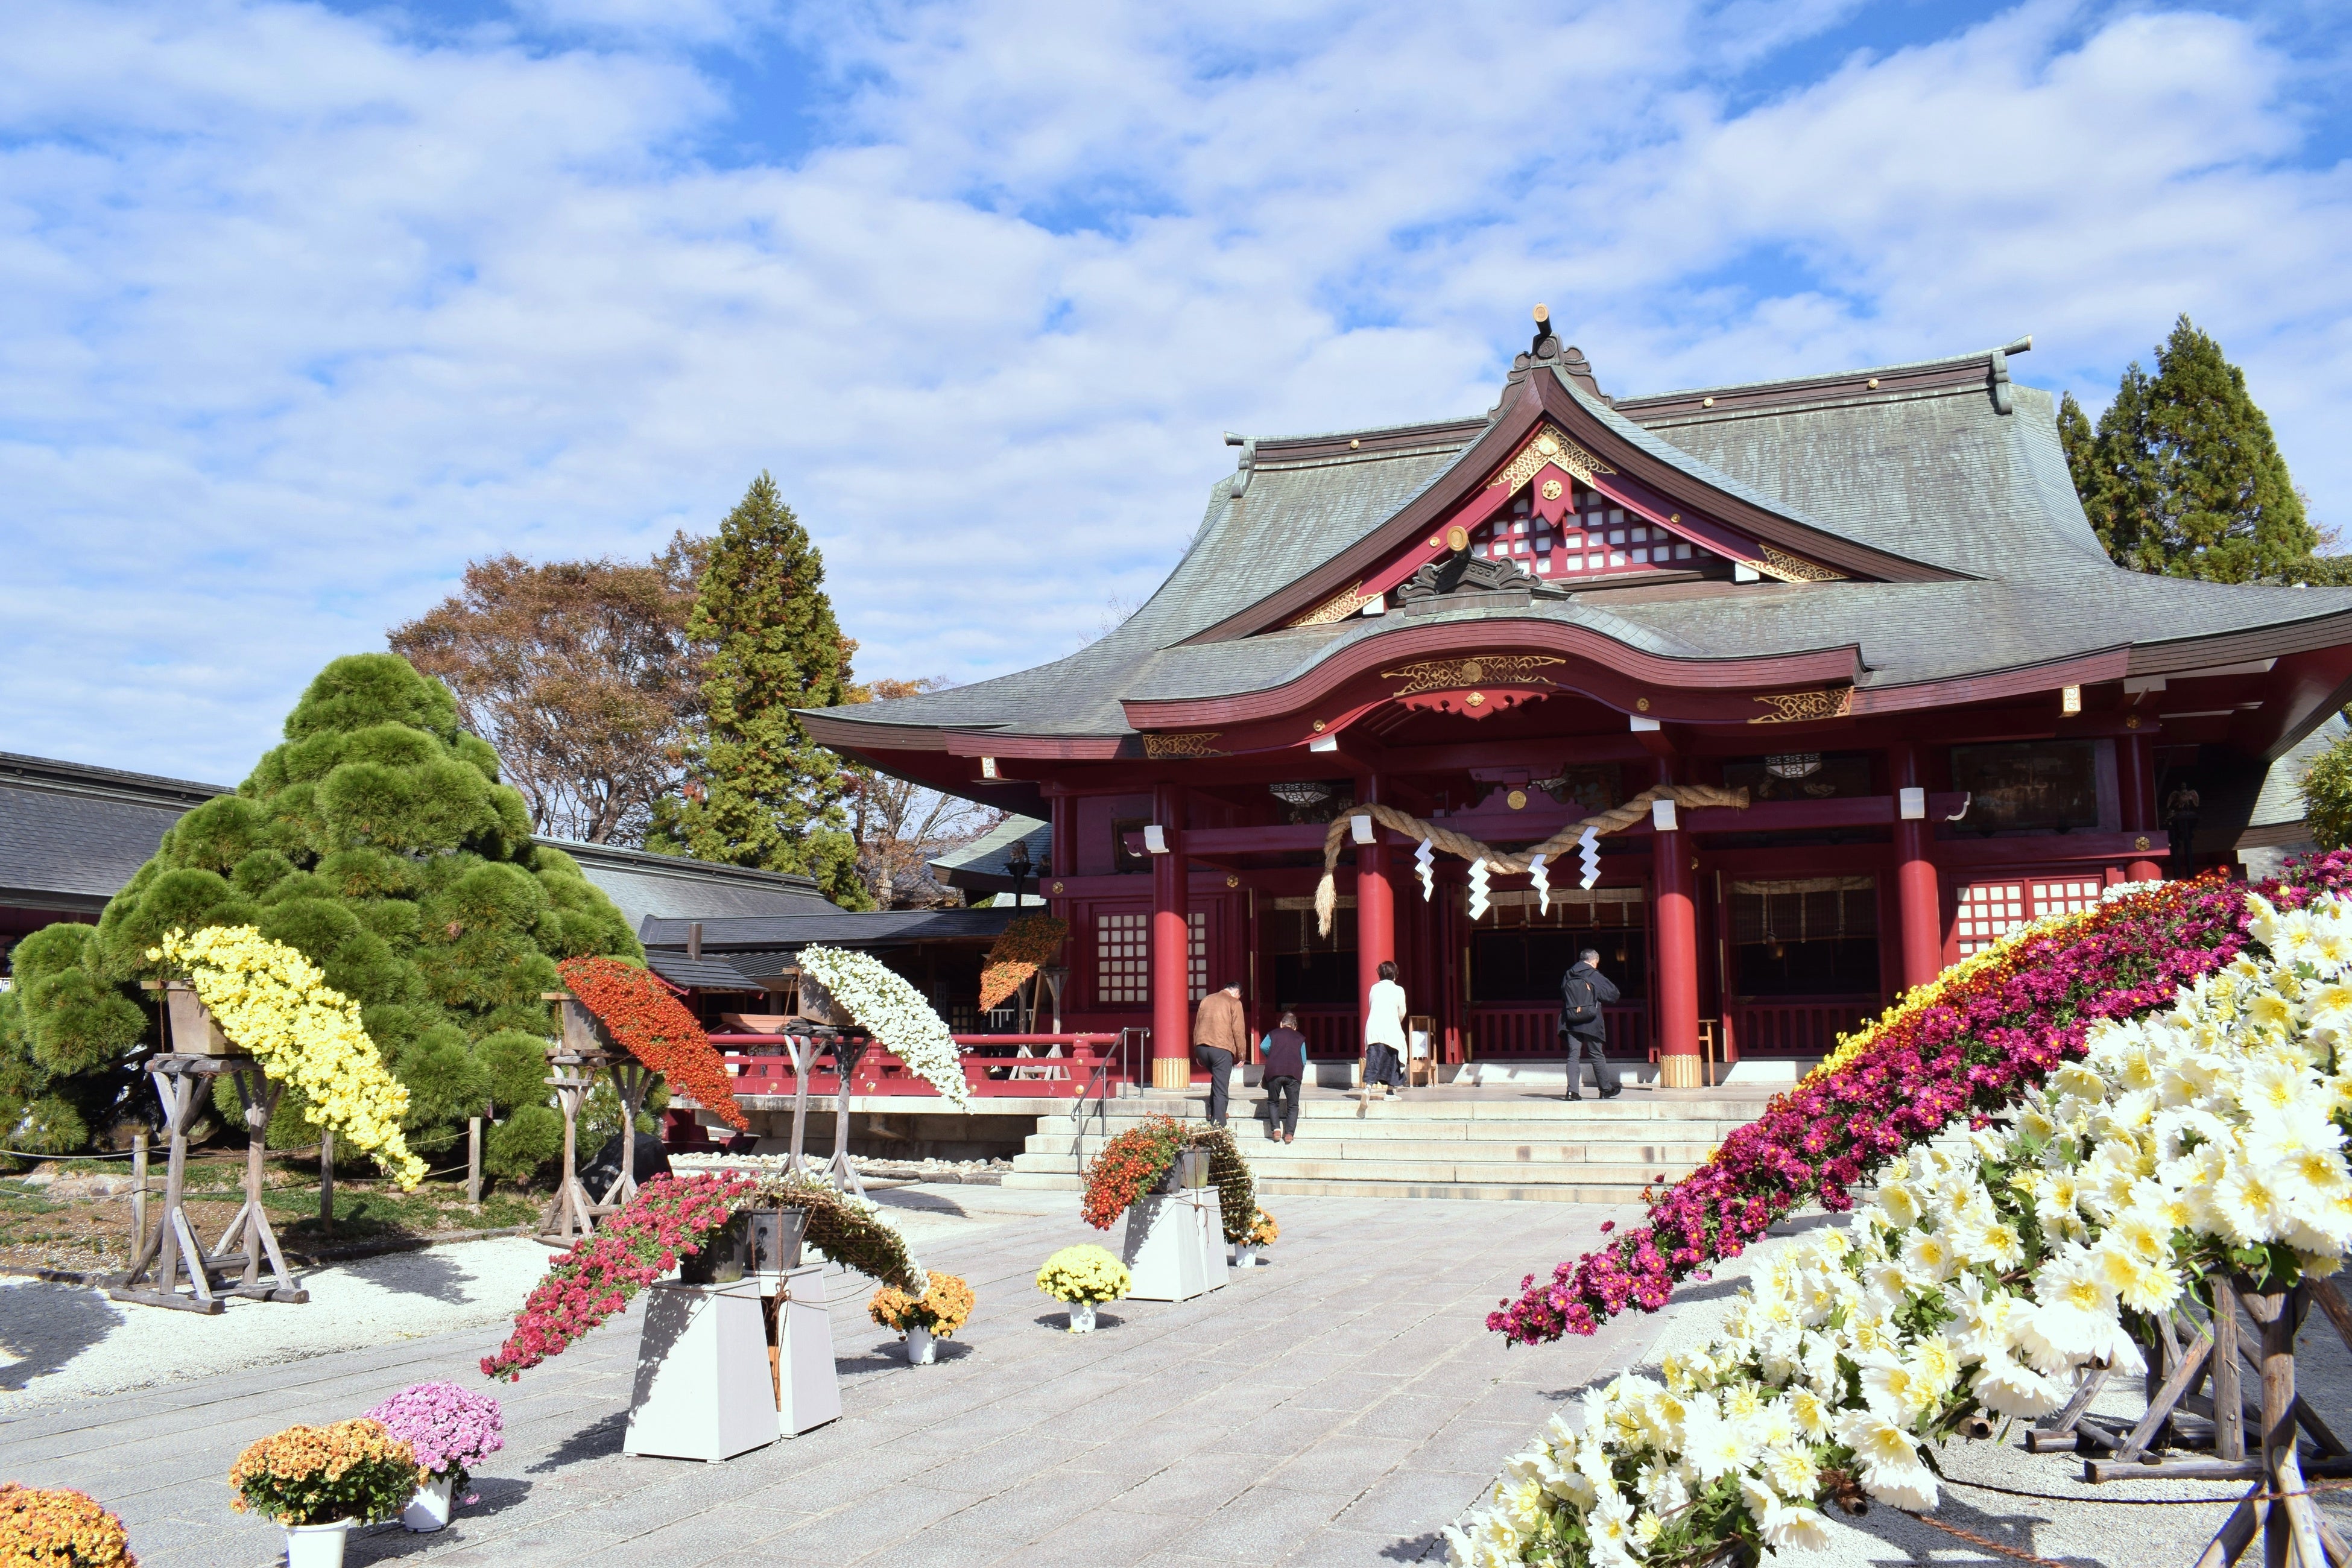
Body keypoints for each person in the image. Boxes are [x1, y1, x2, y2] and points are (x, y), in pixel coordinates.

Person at [1560, 947, 1622, 1101]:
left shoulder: (1568, 974)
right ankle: (1605, 1089)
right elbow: (1613, 994)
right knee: (1596, 1055)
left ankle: (1572, 1092)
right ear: (1594, 961)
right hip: (1591, 1021)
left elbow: (1563, 993)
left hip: (1571, 1019)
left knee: (1573, 1055)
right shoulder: (1594, 975)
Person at [1191, 979, 1247, 1127]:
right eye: (1239, 996)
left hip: (1202, 1047)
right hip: (1221, 1048)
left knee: (1218, 1078)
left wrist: (1197, 1052)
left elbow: (1197, 1026)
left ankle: (1213, 1111)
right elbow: (1239, 1030)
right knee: (1222, 1085)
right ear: (1236, 992)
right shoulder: (1234, 1003)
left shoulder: (1206, 1000)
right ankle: (1219, 1123)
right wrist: (1242, 1054)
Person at [1258, 1008, 1309, 1143]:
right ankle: (1289, 1134)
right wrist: (1299, 1072)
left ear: (1281, 1024)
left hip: (1274, 1071)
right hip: (1294, 1072)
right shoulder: (1300, 1038)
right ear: (1295, 1026)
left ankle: (1276, 1130)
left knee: (1273, 1101)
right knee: (1293, 1105)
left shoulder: (1273, 1034)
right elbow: (1304, 1059)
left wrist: (1272, 1055)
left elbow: (1263, 1046)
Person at [1363, 959, 1409, 1095]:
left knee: (1374, 1059)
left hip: (1374, 1029)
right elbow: (1402, 1011)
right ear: (1394, 975)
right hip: (1391, 1030)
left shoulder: (1374, 988)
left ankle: (1368, 1087)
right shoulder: (1398, 990)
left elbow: (1371, 1005)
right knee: (1393, 1058)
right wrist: (1396, 1021)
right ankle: (1390, 1092)